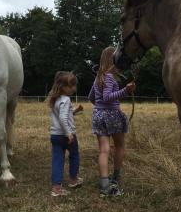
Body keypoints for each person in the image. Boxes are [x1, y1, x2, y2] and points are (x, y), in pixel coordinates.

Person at [88, 47, 135, 196]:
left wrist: (100, 107)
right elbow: (108, 97)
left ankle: (104, 184)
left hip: (98, 115)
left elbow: (91, 98)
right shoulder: (109, 77)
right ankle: (115, 180)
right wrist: (125, 91)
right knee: (120, 146)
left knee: (103, 150)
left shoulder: (98, 77)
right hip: (112, 115)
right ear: (112, 59)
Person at [47, 71, 84, 197]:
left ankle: (56, 187)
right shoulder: (66, 99)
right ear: (62, 87)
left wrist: (76, 110)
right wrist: (69, 133)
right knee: (74, 155)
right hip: (66, 135)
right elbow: (63, 118)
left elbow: (64, 115)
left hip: (55, 135)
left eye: (74, 85)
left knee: (57, 159)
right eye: (71, 85)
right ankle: (73, 180)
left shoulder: (55, 99)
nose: (74, 88)